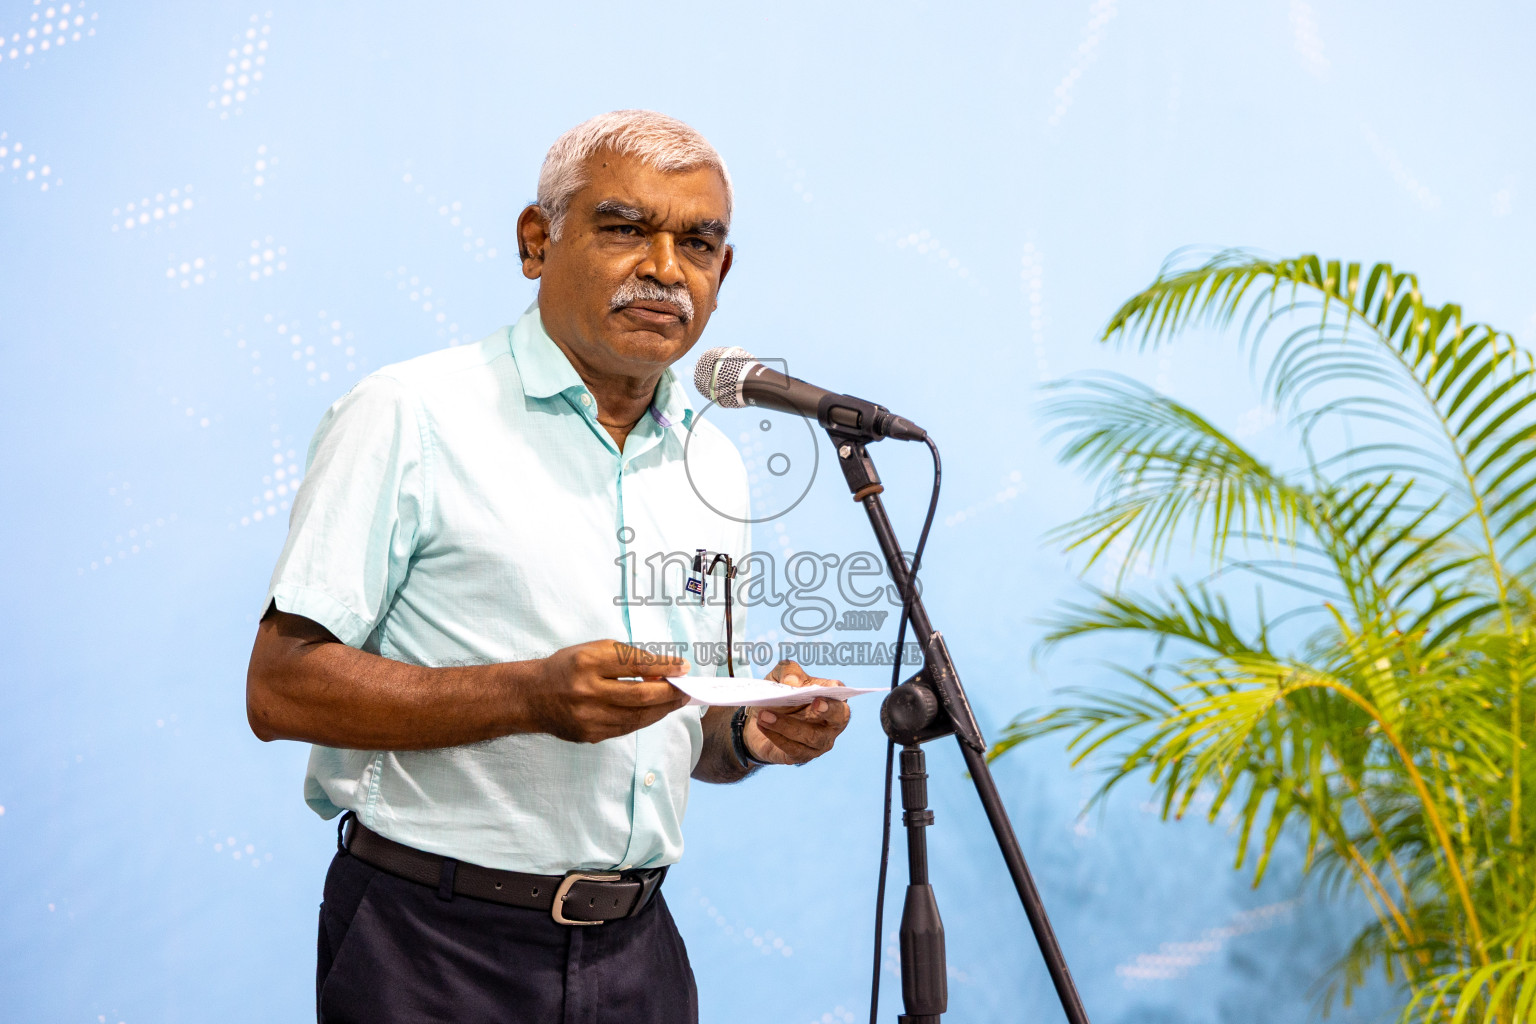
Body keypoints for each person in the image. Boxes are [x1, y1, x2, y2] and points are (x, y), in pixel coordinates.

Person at [245, 109, 852, 1023]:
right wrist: (530, 696)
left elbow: (689, 733)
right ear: (537, 242)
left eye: (697, 242)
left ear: (722, 274)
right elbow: (279, 690)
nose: (662, 267)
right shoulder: (411, 413)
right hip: (432, 947)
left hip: (640, 953)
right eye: (623, 228)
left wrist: (756, 733)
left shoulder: (713, 464)